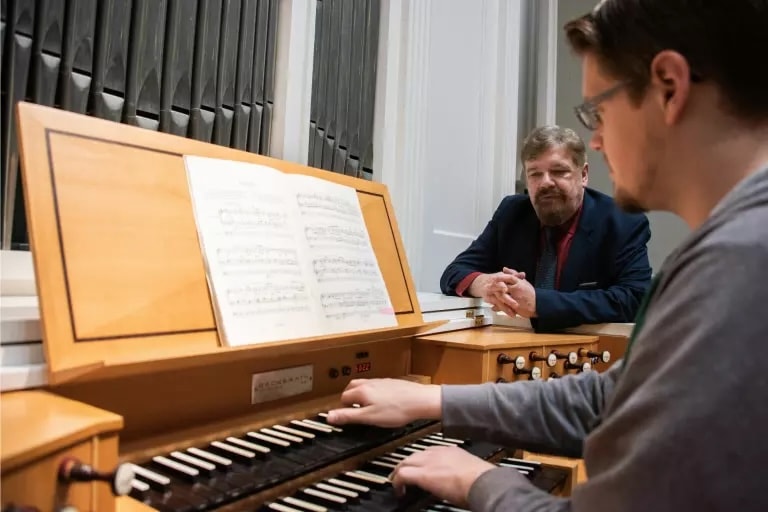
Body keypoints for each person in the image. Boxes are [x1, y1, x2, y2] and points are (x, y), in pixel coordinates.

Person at [328, 1, 768, 510]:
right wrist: (435, 400)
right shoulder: (734, 245)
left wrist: (482, 483)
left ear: (669, 86)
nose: (598, 140)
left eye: (597, 112)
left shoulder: (741, 262)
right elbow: (610, 399)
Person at [439, 125, 652, 332]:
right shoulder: (512, 212)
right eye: (535, 174)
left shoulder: (622, 221)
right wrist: (484, 284)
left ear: (584, 174)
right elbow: (454, 272)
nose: (546, 183)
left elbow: (635, 298)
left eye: (559, 171)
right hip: (515, 345)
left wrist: (539, 303)